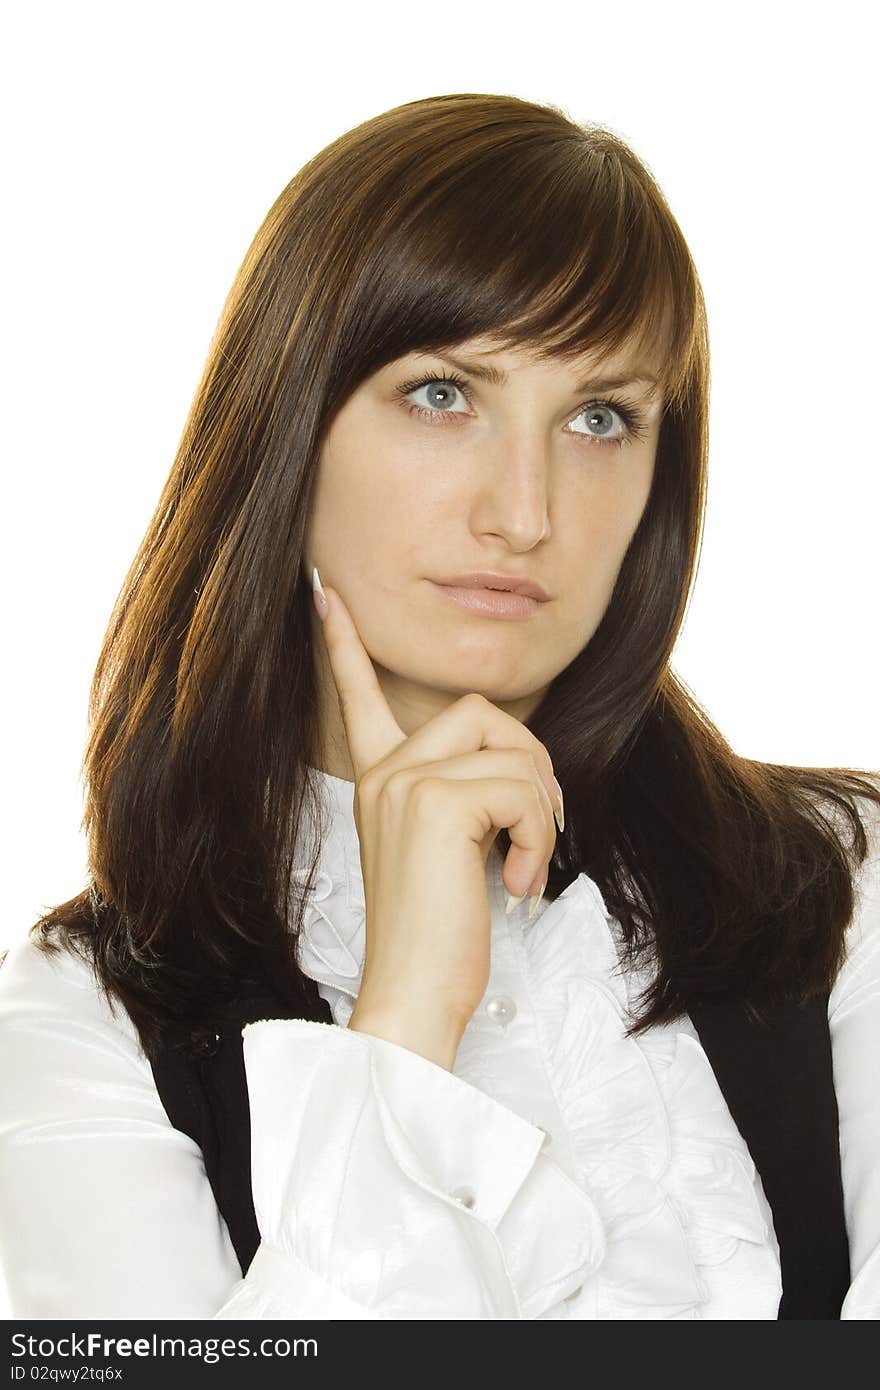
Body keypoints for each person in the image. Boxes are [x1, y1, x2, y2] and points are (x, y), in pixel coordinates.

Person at [1, 91, 878, 1322]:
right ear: (286, 425)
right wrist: (406, 1015)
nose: (524, 513)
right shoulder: (77, 1022)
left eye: (598, 418)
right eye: (441, 394)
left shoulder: (846, 881)